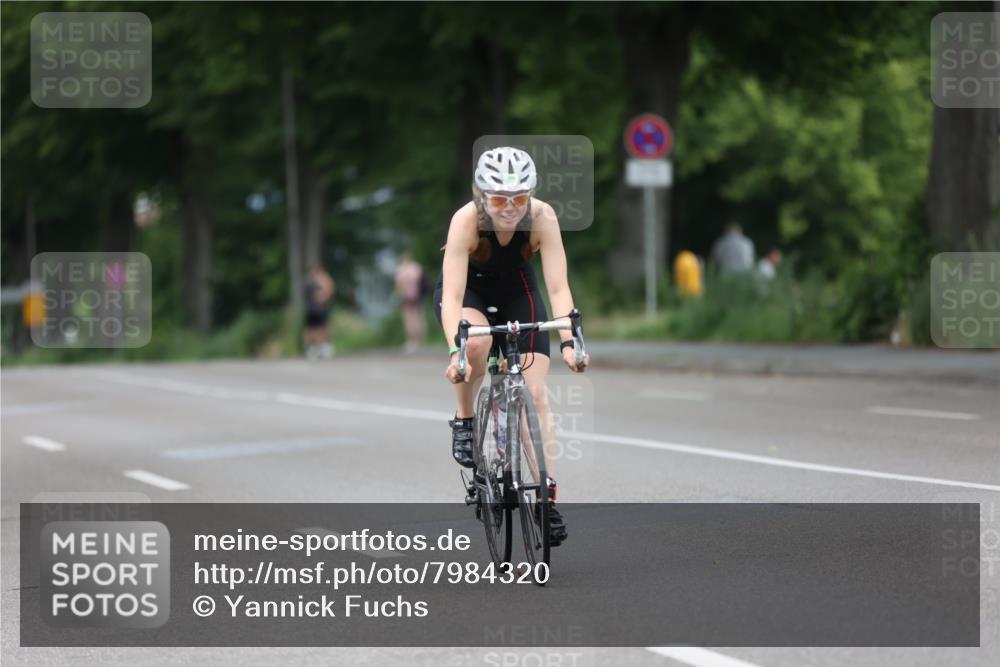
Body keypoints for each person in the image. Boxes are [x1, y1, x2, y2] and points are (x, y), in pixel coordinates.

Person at [435, 147, 590, 547]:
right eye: (499, 198)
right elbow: (451, 298)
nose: (509, 208)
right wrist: (457, 353)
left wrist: (570, 343)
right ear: (481, 195)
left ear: (530, 196)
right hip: (469, 290)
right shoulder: (466, 221)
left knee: (535, 394)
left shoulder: (543, 218)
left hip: (518, 291)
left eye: (518, 198)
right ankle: (465, 419)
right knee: (478, 344)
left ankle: (544, 499)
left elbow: (558, 288)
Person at [394, 251, 428, 353]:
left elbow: (398, 284)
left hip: (406, 297)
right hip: (417, 296)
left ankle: (411, 340)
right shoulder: (417, 268)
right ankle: (421, 340)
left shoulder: (401, 270)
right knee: (419, 317)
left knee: (409, 319)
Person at [303, 264, 335, 360]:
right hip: (314, 308)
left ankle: (322, 348)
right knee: (313, 329)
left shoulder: (323, 279)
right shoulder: (313, 280)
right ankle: (314, 348)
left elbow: (329, 291)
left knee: (322, 327)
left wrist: (323, 298)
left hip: (320, 308)